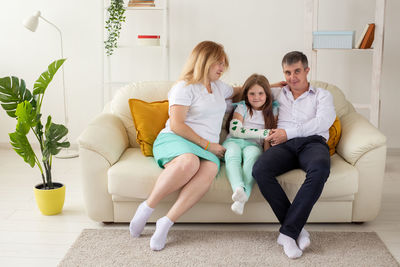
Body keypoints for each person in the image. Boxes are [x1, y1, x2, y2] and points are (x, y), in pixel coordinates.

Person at [129, 40, 242, 251]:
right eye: (218, 62)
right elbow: (177, 125)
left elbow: (242, 90)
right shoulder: (184, 87)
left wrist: (273, 87)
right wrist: (209, 146)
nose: (222, 68)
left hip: (206, 148)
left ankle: (166, 222)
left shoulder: (219, 87)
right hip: (176, 138)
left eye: (223, 63)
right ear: (203, 61)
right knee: (189, 162)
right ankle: (146, 207)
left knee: (208, 170)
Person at [252, 51, 336, 259]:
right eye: (288, 72)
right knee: (260, 169)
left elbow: (322, 122)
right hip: (284, 145)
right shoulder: (277, 93)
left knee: (320, 169)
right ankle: (295, 229)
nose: (292, 77)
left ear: (307, 70)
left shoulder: (322, 95)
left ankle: (287, 233)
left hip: (313, 143)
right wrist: (269, 84)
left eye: (297, 71)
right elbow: (248, 93)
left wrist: (288, 132)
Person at [222, 74, 278, 215]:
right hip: (233, 141)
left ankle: (242, 199)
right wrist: (263, 133)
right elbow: (235, 130)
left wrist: (267, 148)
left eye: (260, 93)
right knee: (233, 155)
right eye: (252, 93)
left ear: (267, 94)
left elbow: (271, 136)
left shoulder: (273, 110)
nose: (256, 97)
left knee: (252, 158)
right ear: (246, 95)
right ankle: (239, 189)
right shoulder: (242, 107)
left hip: (254, 145)